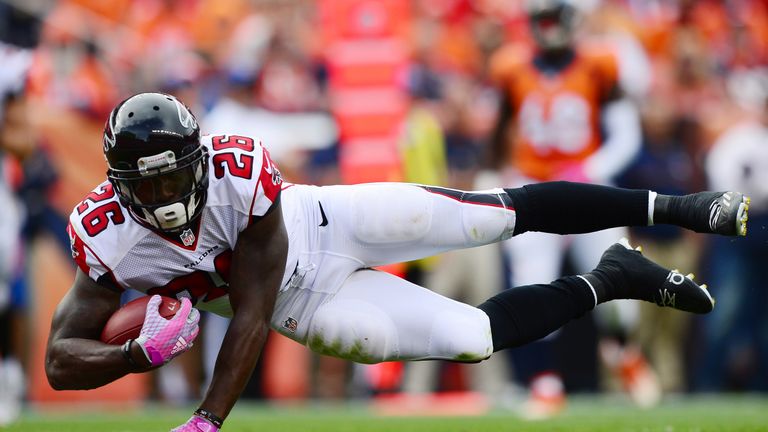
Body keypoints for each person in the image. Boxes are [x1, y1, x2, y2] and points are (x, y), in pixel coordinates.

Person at [45, 92, 749, 431]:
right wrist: (137, 356)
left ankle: (684, 207)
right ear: (120, 185)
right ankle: (613, 277)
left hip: (321, 227)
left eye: (176, 177)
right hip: (307, 307)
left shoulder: (237, 169)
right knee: (472, 340)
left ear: (199, 162)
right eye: (150, 184)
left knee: (495, 213)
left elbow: (250, 308)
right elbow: (60, 359)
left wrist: (206, 421)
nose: (167, 196)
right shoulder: (104, 233)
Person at [487, 0, 644, 416]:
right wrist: (497, 176)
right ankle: (545, 383)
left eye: (555, 16)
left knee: (619, 281)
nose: (549, 27)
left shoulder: (600, 64)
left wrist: (588, 168)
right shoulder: (510, 67)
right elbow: (499, 131)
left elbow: (627, 136)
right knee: (532, 285)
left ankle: (623, 351)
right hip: (535, 190)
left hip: (588, 189)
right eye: (543, 18)